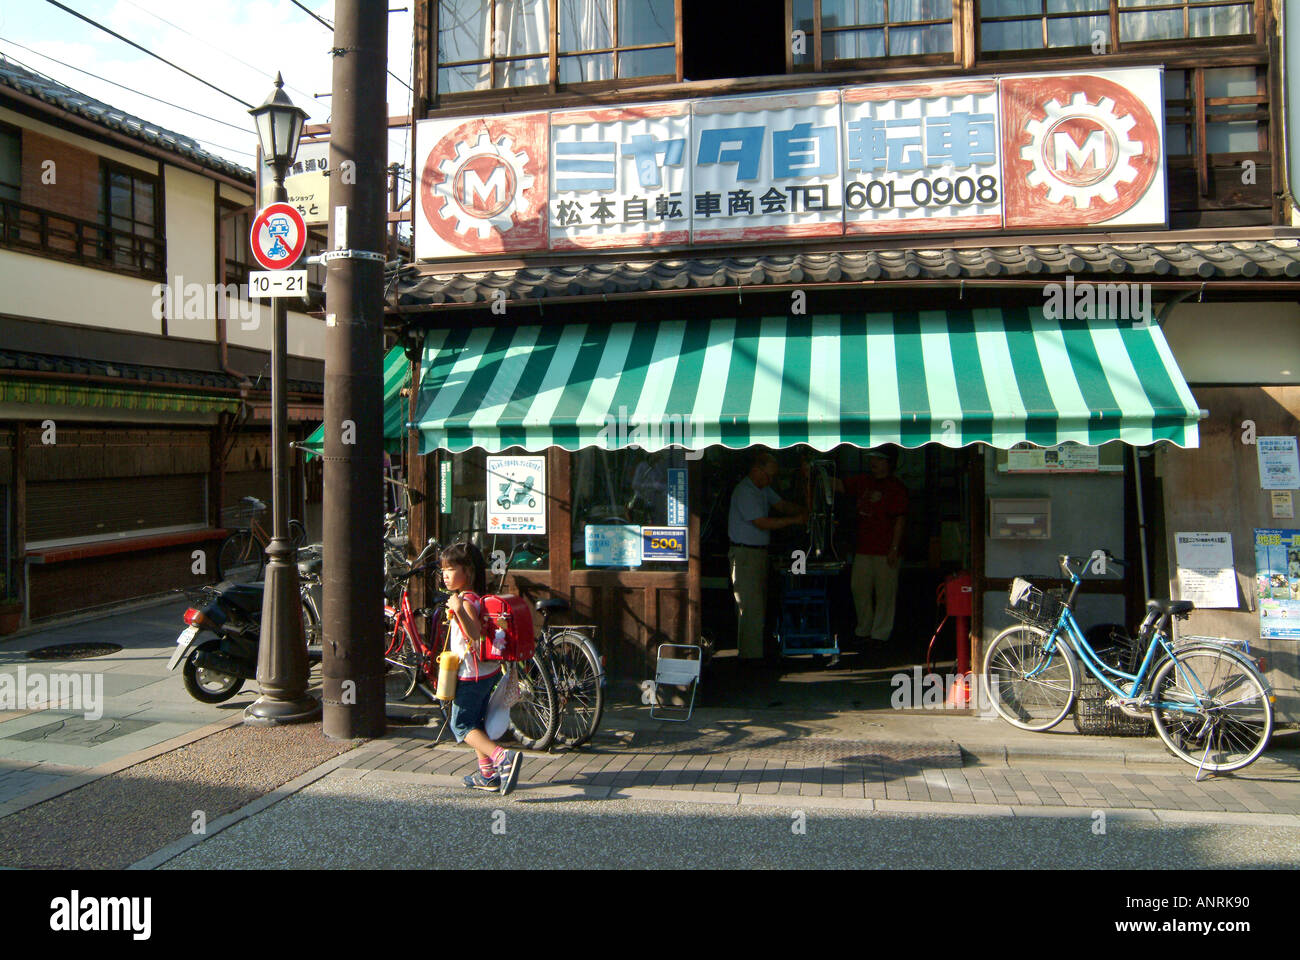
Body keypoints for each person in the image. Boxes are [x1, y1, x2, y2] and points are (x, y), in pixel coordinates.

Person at [440, 541, 523, 796]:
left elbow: (474, 633)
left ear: (469, 571)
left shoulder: (465, 601)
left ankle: (502, 757)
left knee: (462, 725)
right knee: (476, 721)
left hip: (470, 674)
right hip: (485, 672)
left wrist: (457, 610)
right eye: (443, 569)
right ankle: (488, 775)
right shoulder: (475, 597)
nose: (445, 575)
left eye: (451, 569)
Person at [727, 452, 807, 661]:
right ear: (756, 470)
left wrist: (806, 511)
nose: (771, 481)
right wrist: (795, 520)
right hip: (745, 554)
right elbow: (761, 522)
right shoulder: (745, 491)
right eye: (769, 476)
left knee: (757, 605)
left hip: (758, 553)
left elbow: (781, 505)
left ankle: (755, 652)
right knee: (749, 606)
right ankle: (750, 658)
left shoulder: (762, 488)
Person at [835, 450, 908, 643]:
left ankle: (880, 633)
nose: (873, 462)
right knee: (859, 588)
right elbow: (840, 485)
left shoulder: (896, 487)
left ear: (888, 463)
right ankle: (864, 627)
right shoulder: (863, 481)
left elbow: (900, 520)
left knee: (885, 593)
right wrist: (817, 473)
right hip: (863, 547)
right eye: (872, 459)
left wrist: (894, 548)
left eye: (878, 459)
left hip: (885, 549)